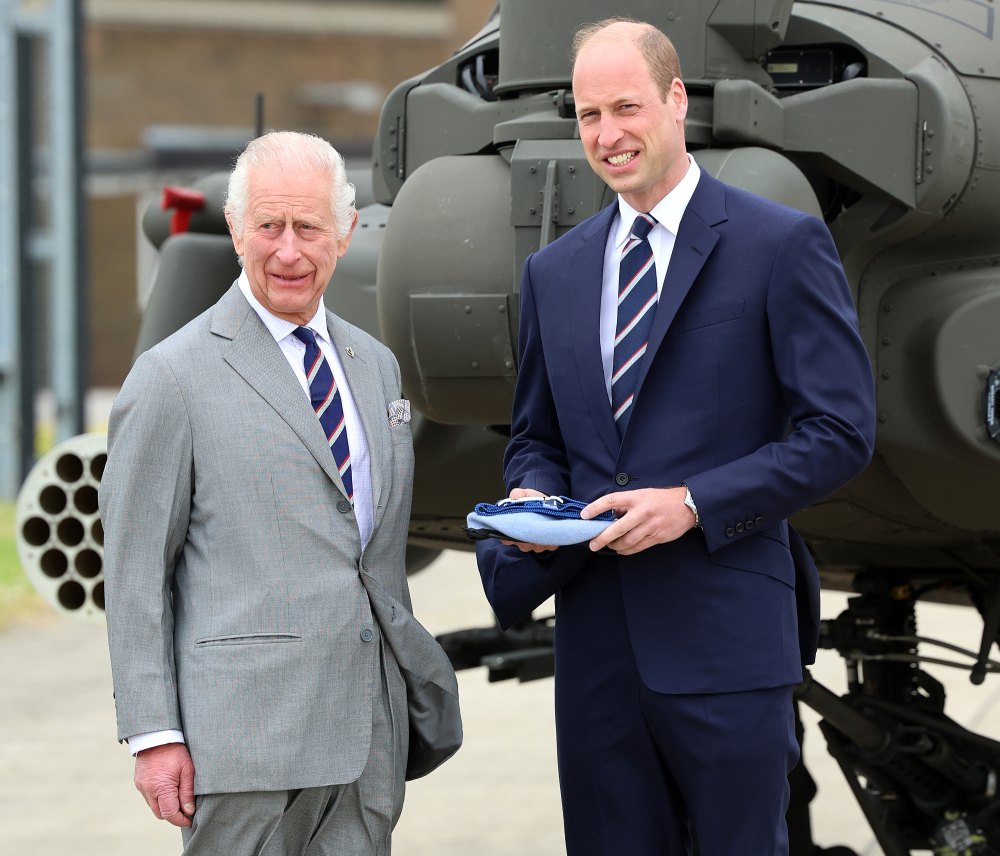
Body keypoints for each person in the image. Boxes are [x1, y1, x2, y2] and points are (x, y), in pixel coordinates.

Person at [476, 18, 876, 856]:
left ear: (676, 100)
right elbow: (536, 436)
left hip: (728, 641)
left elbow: (840, 431)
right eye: (588, 116)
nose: (608, 135)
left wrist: (694, 504)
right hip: (597, 653)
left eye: (626, 107)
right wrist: (530, 493)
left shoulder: (780, 244)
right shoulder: (555, 272)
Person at [100, 130, 458, 855]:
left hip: (367, 741)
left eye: (308, 227)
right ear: (236, 230)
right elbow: (135, 572)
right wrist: (154, 734)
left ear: (347, 231)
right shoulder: (172, 377)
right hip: (243, 748)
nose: (288, 251)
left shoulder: (377, 368)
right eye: (268, 226)